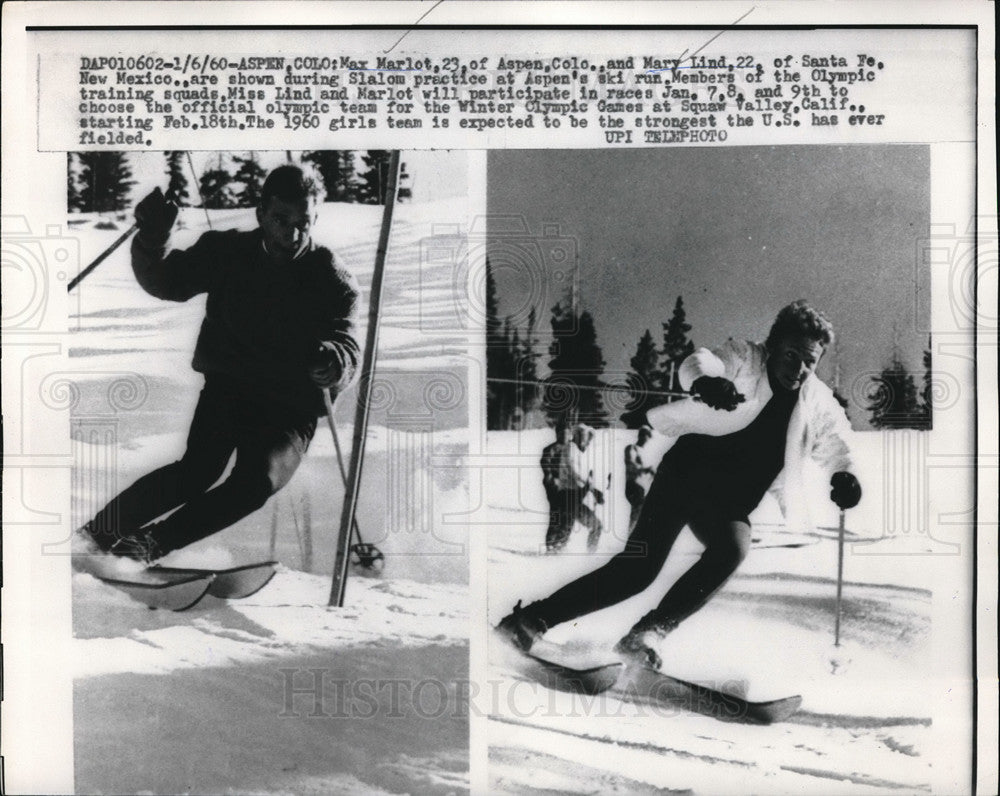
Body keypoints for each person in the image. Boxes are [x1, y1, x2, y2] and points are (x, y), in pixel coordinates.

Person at [497, 301, 862, 668]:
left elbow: (837, 441)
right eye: (791, 355)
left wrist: (845, 474)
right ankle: (528, 621)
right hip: (688, 474)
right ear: (774, 346)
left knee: (733, 548)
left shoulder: (816, 401)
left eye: (809, 361)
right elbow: (700, 362)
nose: (798, 369)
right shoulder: (746, 359)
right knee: (636, 573)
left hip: (730, 503)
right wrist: (705, 381)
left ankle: (647, 634)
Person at [79, 164, 361, 562]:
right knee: (195, 472)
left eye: (304, 222)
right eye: (281, 219)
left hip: (289, 403)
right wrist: (154, 234)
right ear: (261, 213)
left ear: (316, 217)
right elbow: (165, 281)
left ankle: (145, 548)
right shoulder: (227, 252)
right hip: (231, 387)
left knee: (255, 483)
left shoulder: (331, 277)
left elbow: (346, 341)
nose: (292, 233)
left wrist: (335, 362)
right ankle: (96, 537)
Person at [545, 423, 605, 553]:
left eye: (589, 438)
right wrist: (593, 488)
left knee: (595, 525)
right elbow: (575, 472)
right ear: (577, 436)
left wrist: (592, 486)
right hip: (568, 494)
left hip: (577, 496)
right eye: (585, 437)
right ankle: (554, 553)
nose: (588, 441)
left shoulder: (579, 452)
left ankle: (590, 556)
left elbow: (583, 476)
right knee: (566, 524)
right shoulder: (570, 449)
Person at [540, 420, 572, 551]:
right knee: (556, 514)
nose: (564, 436)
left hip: (570, 487)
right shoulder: (551, 449)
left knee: (568, 515)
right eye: (562, 433)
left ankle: (561, 543)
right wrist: (552, 478)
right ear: (557, 434)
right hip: (555, 487)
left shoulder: (572, 448)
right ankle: (551, 544)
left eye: (567, 433)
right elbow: (545, 465)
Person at [624, 424, 656, 533]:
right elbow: (630, 463)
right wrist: (645, 469)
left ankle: (633, 535)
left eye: (648, 436)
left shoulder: (646, 453)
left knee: (640, 514)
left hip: (643, 487)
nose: (646, 439)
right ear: (641, 436)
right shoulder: (632, 448)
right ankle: (631, 536)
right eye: (645, 435)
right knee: (638, 513)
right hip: (633, 484)